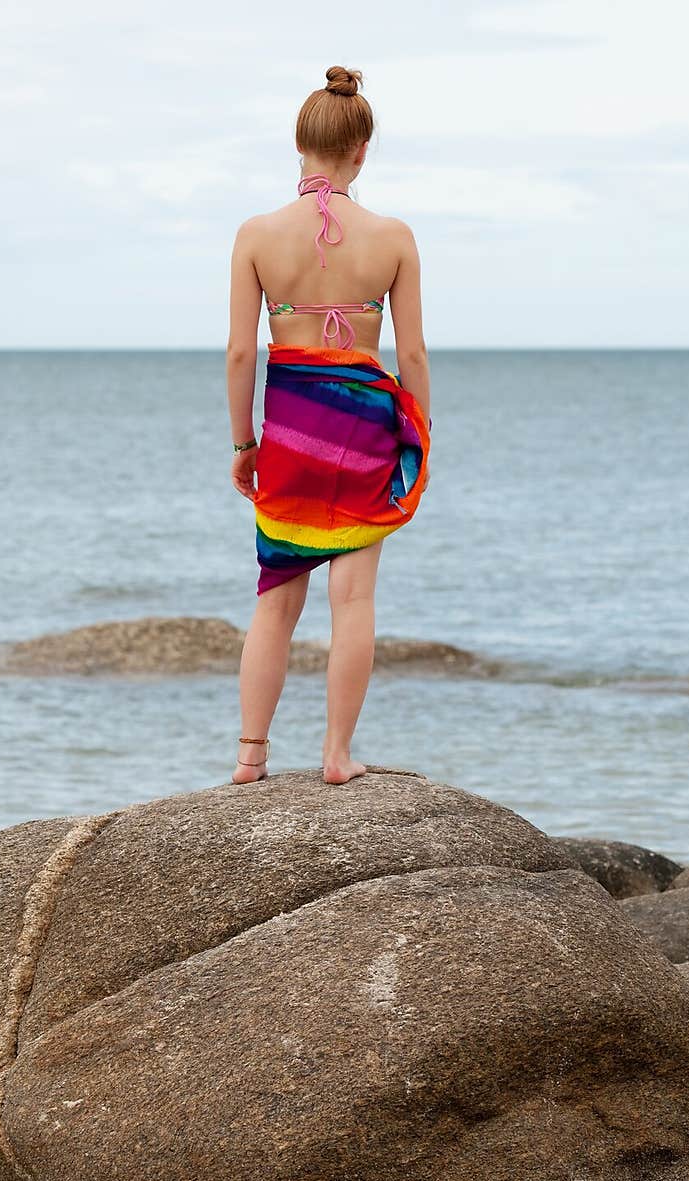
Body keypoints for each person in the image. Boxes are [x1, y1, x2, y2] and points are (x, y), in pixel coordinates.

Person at [226, 65, 432, 787]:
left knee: (276, 594)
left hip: (288, 430)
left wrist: (243, 444)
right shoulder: (393, 238)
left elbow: (241, 351)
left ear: (299, 147)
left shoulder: (255, 235)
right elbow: (409, 353)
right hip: (365, 429)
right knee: (354, 599)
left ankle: (252, 754)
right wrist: (421, 431)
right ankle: (337, 755)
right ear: (362, 151)